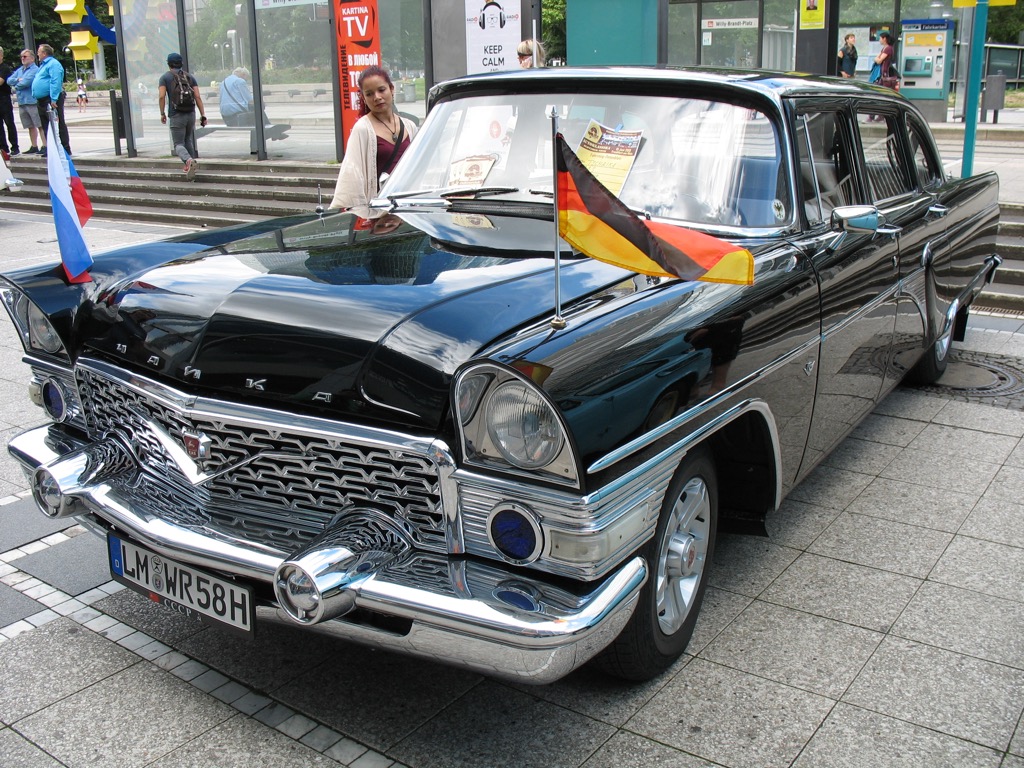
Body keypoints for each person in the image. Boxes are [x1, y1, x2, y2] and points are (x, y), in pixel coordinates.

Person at [329, 66, 417, 210]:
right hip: (378, 211)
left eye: (381, 90)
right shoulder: (362, 129)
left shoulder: (410, 126)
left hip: (407, 209)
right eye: (369, 94)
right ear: (363, 98)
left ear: (391, 89)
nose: (377, 97)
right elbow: (352, 174)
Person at [158, 52, 207, 181]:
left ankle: (189, 160)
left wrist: (162, 113)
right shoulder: (190, 77)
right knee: (187, 140)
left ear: (168, 64)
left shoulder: (165, 78)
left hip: (176, 114)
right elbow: (197, 96)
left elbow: (162, 96)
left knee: (178, 144)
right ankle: (191, 165)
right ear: (181, 63)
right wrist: (203, 115)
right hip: (190, 113)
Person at [32, 44, 70, 158]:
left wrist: (54, 98)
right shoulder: (43, 65)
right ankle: (52, 149)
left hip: (51, 98)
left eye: (39, 52)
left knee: (58, 123)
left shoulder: (53, 64)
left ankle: (64, 148)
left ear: (44, 53)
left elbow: (55, 81)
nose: (37, 54)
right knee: (46, 125)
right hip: (42, 99)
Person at [8, 50, 41, 154]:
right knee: (29, 125)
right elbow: (9, 80)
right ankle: (34, 146)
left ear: (32, 58)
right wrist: (19, 79)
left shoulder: (35, 69)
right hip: (22, 101)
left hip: (32, 101)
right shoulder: (20, 70)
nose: (22, 58)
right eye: (21, 56)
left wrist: (16, 85)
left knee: (39, 124)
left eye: (25, 56)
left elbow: (26, 83)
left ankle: (45, 145)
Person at [0, 47, 20, 157]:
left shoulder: (5, 68)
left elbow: (1, 81)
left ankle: (15, 146)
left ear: (1, 55)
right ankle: (3, 147)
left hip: (4, 99)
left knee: (9, 124)